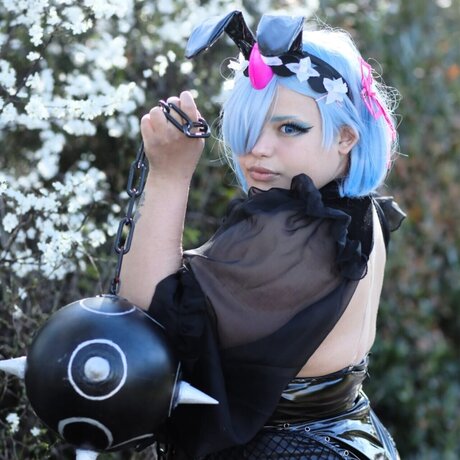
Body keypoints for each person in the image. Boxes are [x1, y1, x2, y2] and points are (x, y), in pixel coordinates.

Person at [119, 10, 405, 460]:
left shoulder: (301, 228)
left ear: (346, 137)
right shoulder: (356, 213)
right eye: (250, 126)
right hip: (354, 440)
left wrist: (169, 175)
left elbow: (145, 316)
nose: (258, 148)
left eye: (290, 127)